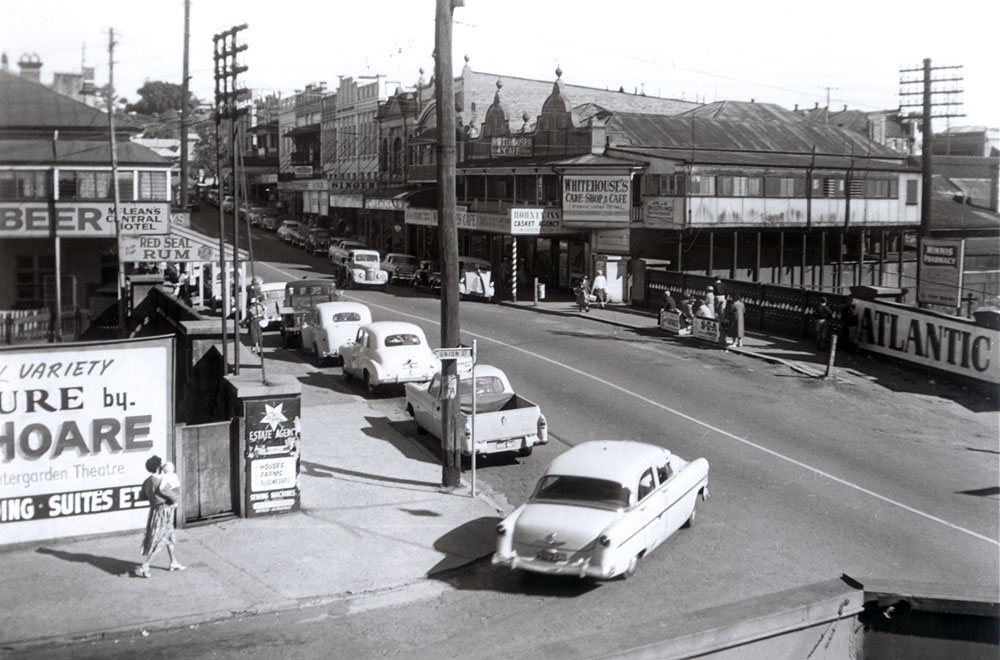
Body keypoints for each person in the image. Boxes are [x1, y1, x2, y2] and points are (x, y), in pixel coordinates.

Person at [135, 455, 184, 578]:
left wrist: (153, 498)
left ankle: (173, 562)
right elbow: (173, 496)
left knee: (169, 536)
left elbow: (142, 497)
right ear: (158, 468)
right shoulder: (160, 482)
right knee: (161, 540)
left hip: (155, 511)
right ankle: (146, 565)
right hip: (164, 512)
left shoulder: (147, 481)